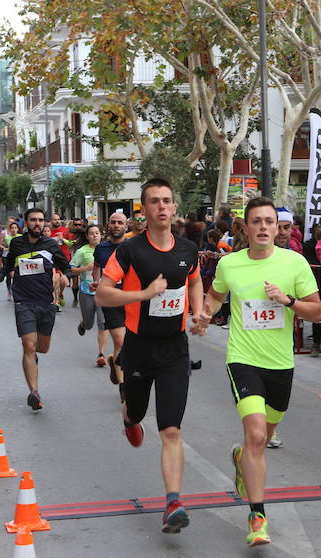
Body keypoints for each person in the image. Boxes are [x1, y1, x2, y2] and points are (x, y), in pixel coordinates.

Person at [196, 197, 321, 546]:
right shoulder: (230, 265)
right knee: (254, 436)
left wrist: (288, 301)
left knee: (261, 439)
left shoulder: (295, 263)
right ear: (246, 228)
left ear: (278, 227)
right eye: (257, 221)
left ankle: (240, 459)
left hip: (281, 363)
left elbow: (317, 312)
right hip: (243, 358)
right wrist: (206, 314)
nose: (264, 227)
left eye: (270, 221)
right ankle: (257, 516)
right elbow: (216, 296)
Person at [96, 178, 204, 534]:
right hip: (139, 349)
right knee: (137, 412)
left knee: (171, 429)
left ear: (174, 208)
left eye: (167, 200)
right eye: (154, 201)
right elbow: (102, 294)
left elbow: (196, 279)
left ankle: (173, 502)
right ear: (143, 210)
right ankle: (129, 418)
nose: (161, 206)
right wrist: (143, 294)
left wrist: (198, 312)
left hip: (174, 349)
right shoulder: (129, 251)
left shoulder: (188, 248)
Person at [0, 208, 73, 411]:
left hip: (46, 302)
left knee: (41, 348)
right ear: (25, 223)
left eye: (40, 220)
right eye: (33, 220)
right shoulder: (17, 243)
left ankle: (32, 359)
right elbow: (8, 264)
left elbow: (65, 265)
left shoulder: (51, 245)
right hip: (23, 301)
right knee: (28, 345)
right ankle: (34, 392)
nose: (37, 223)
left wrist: (67, 276)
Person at [92, 211, 128, 373]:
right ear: (108, 225)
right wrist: (96, 281)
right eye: (113, 222)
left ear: (126, 226)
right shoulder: (101, 248)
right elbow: (97, 267)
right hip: (110, 298)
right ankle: (123, 387)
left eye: (120, 223)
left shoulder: (132, 247)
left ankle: (117, 363)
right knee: (120, 342)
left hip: (132, 298)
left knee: (130, 342)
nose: (116, 225)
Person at [72, 225, 109, 361]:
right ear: (87, 236)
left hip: (104, 291)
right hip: (87, 290)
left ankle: (101, 354)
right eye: (92, 233)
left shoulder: (107, 249)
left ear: (102, 235)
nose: (94, 236)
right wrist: (84, 269)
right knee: (89, 324)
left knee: (103, 323)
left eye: (97, 233)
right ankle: (83, 324)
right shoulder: (82, 251)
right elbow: (71, 269)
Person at [1, 221, 21, 301]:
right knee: (9, 275)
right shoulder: (7, 237)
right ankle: (9, 290)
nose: (14, 229)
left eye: (15, 228)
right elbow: (1, 245)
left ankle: (16, 290)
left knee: (16, 275)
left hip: (18, 258)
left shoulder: (21, 236)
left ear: (18, 229)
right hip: (7, 257)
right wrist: (5, 248)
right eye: (12, 228)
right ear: (9, 229)